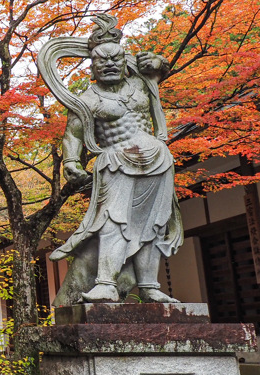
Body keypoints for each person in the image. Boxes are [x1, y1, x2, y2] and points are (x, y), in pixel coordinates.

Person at [47, 17, 182, 304]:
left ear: (125, 61)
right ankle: (105, 282)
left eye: (115, 59)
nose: (109, 64)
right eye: (101, 61)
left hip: (157, 159)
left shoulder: (141, 85)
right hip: (115, 161)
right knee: (112, 220)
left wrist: (157, 62)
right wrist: (71, 161)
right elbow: (73, 134)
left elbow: (161, 71)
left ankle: (148, 286)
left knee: (155, 224)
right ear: (92, 67)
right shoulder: (87, 99)